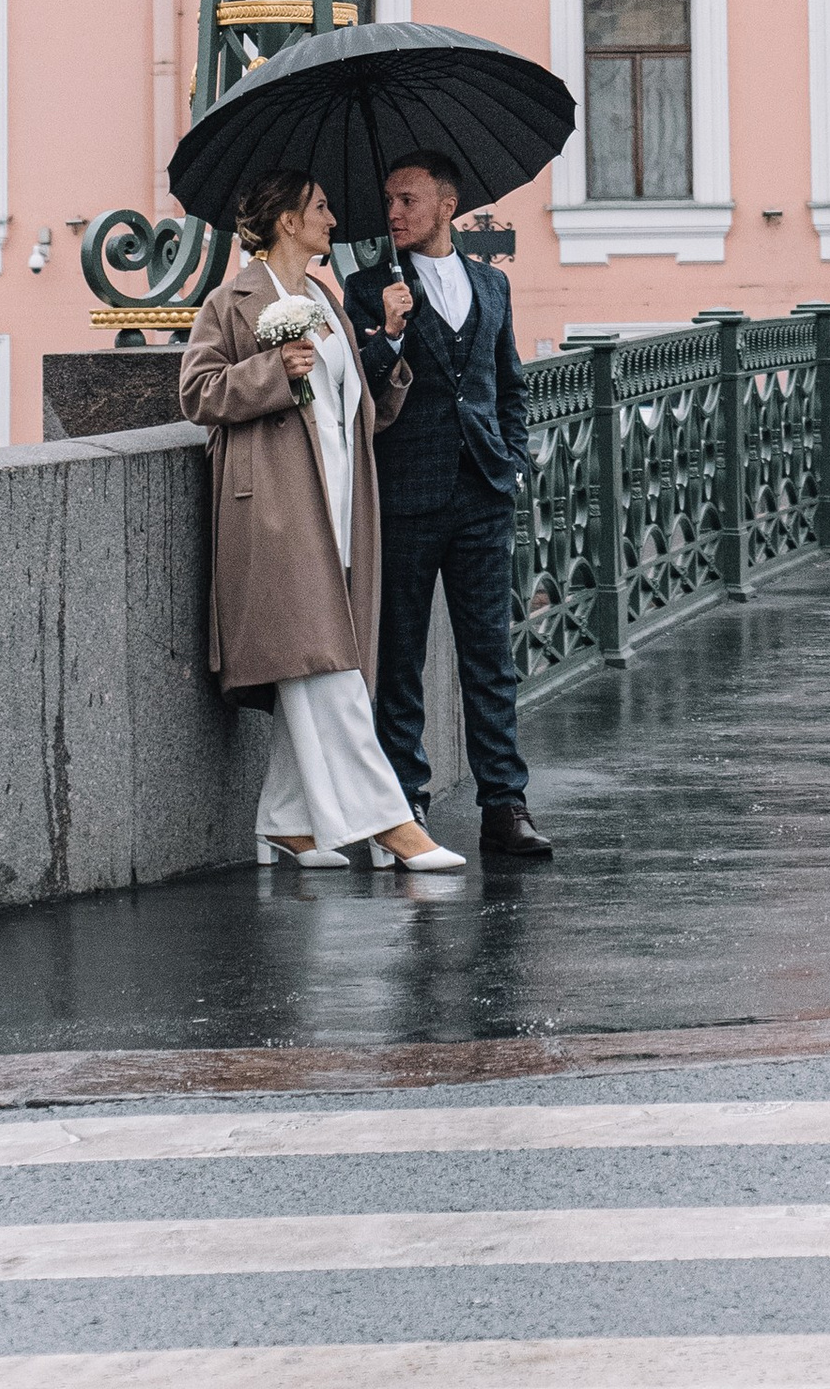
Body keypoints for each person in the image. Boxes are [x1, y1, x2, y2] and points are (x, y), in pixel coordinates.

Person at [179, 169, 464, 872]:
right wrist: (274, 370)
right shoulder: (231, 300)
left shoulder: (326, 299)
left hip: (340, 502)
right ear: (285, 220)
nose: (334, 217)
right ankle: (392, 822)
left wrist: (391, 341)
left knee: (315, 659)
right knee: (326, 664)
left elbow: (354, 404)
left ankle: (286, 821)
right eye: (321, 206)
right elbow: (196, 392)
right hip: (274, 513)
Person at [348, 158, 552, 859]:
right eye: (388, 198)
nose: (395, 211)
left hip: (483, 494)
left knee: (490, 657)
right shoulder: (368, 288)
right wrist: (394, 333)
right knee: (400, 658)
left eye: (408, 198)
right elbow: (360, 394)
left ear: (446, 202)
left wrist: (513, 459)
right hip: (405, 495)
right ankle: (405, 800)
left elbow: (508, 381)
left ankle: (505, 804)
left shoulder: (491, 283)